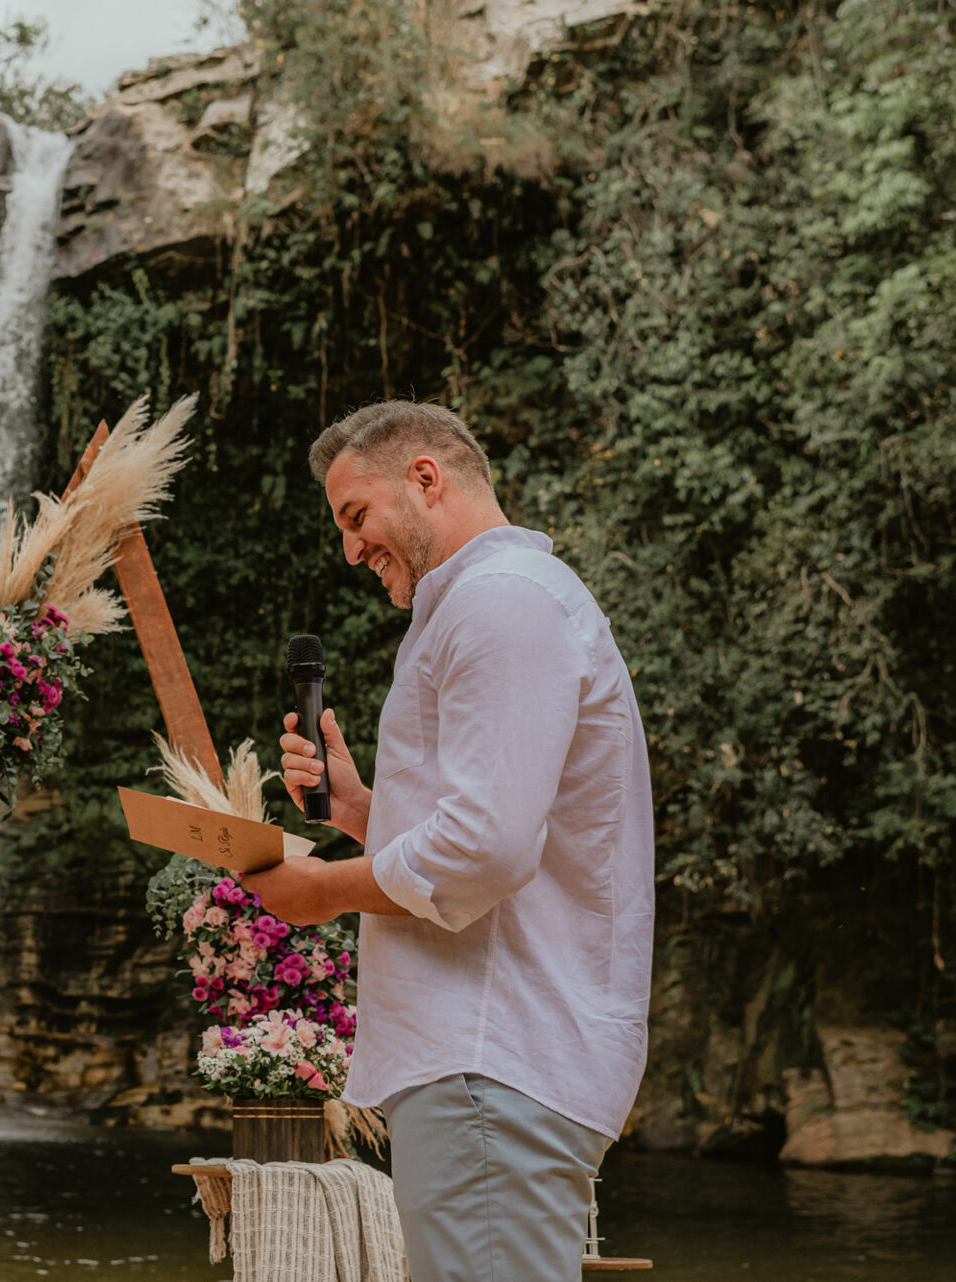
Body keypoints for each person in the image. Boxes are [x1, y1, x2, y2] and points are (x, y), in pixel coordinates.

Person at [246, 402, 654, 1282]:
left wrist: (323, 888)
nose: (350, 550)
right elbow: (505, 825)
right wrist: (363, 809)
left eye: (356, 517)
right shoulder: (500, 603)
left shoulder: (499, 603)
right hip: (490, 1061)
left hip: (491, 1052)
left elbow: (488, 851)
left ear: (425, 479)